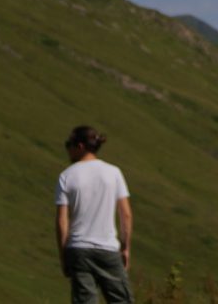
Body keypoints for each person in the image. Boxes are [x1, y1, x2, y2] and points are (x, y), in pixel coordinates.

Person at [54, 125, 134, 303]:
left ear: (80, 146)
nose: (68, 149)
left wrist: (63, 254)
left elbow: (62, 221)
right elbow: (126, 215)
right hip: (107, 248)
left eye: (69, 144)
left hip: (79, 250)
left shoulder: (66, 176)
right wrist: (125, 247)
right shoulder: (114, 173)